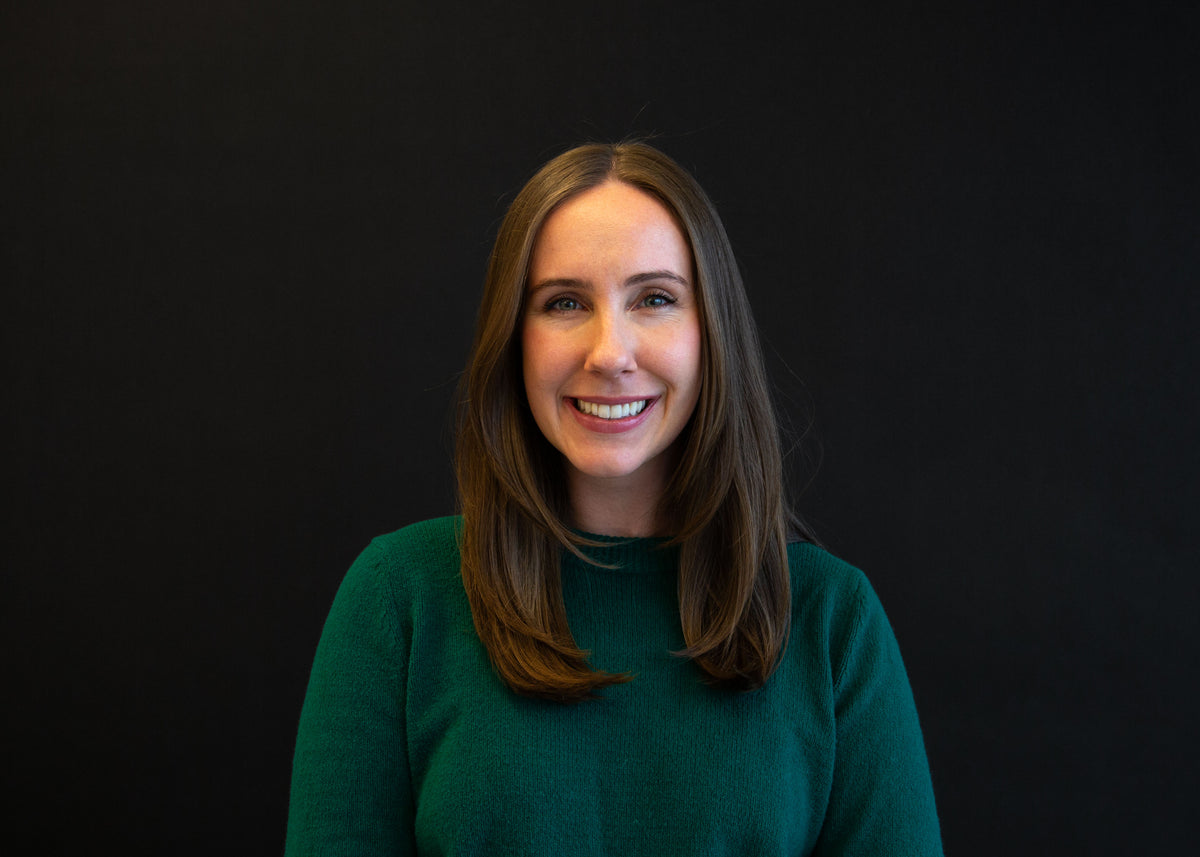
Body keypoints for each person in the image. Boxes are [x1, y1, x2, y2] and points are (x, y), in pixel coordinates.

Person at [286, 142, 943, 856]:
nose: (609, 352)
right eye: (564, 302)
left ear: (710, 334)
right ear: (514, 339)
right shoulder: (399, 601)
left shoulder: (831, 621)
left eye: (654, 298)